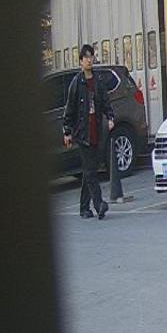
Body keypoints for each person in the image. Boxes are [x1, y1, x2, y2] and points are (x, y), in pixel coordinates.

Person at [63, 44, 115, 219]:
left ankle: (84, 207)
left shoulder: (98, 80)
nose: (88, 60)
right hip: (82, 134)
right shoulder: (76, 83)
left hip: (96, 131)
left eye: (90, 57)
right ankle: (99, 203)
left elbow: (105, 101)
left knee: (89, 169)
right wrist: (67, 131)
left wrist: (110, 117)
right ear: (80, 61)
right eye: (85, 57)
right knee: (91, 170)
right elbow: (70, 109)